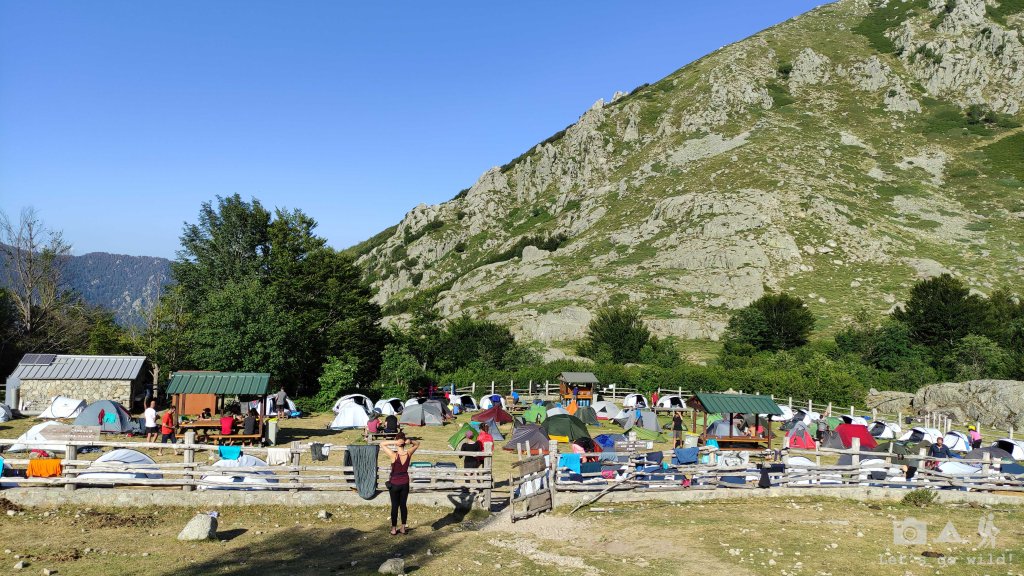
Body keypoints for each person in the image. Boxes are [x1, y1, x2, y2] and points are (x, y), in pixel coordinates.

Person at [380, 433, 419, 535]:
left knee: (394, 506)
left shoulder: (393, 455)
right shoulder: (408, 453)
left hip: (394, 484)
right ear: (404, 443)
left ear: (397, 442)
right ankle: (403, 528)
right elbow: (417, 444)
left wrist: (395, 442)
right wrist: (410, 441)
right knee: (403, 505)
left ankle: (393, 529)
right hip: (405, 483)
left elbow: (382, 444)